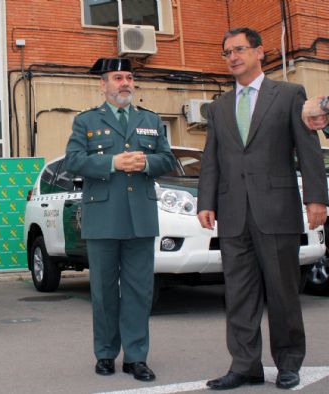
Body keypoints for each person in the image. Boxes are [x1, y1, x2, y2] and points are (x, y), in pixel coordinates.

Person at [197, 27, 328, 390]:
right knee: (238, 294)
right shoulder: (219, 107)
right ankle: (244, 365)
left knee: (283, 291)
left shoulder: (288, 95)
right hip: (233, 213)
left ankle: (288, 362)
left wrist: (316, 197)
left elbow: (308, 149)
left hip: (277, 210)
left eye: (239, 49)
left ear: (259, 52)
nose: (232, 57)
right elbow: (211, 159)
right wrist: (205, 201)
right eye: (226, 52)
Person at [65, 58, 174, 380]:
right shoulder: (86, 122)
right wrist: (112, 163)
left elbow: (167, 159)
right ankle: (105, 353)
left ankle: (136, 357)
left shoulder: (151, 120)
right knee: (103, 291)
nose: (124, 82)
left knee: (139, 291)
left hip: (140, 217)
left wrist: (145, 163)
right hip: (103, 218)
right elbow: (73, 161)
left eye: (128, 77)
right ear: (103, 85)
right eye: (117, 77)